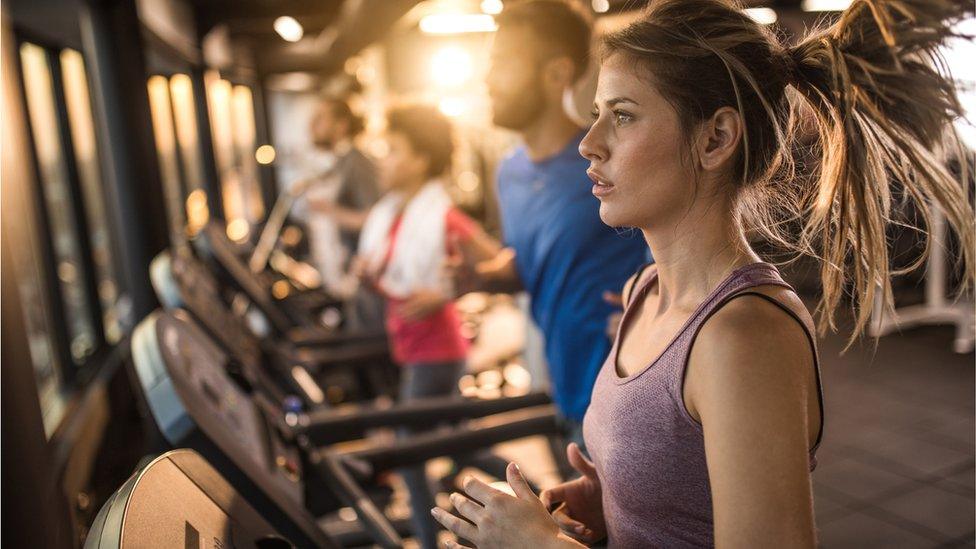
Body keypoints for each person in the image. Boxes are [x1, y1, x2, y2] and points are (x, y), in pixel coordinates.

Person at [432, 0, 975, 547]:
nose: (589, 143)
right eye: (597, 113)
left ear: (715, 138)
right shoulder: (645, 293)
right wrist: (614, 498)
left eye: (622, 115)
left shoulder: (743, 339)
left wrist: (540, 545)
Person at [452, 0, 648, 448]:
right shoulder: (510, 171)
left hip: (627, 388)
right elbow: (530, 267)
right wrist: (480, 278)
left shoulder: (605, 162)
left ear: (556, 73)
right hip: (563, 381)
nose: (487, 80)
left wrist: (659, 305)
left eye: (502, 64)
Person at [356, 104, 509, 549]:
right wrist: (373, 283)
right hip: (419, 348)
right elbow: (401, 285)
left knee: (409, 455)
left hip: (437, 352)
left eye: (393, 150)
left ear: (420, 160)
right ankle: (541, 491)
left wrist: (448, 293)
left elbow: (497, 262)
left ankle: (426, 542)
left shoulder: (441, 216)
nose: (383, 159)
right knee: (462, 449)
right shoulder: (395, 216)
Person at [301, 96, 383, 327]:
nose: (312, 126)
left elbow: (375, 218)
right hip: (342, 279)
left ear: (341, 125)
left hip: (359, 279)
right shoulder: (338, 163)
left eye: (320, 119)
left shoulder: (357, 163)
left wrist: (328, 210)